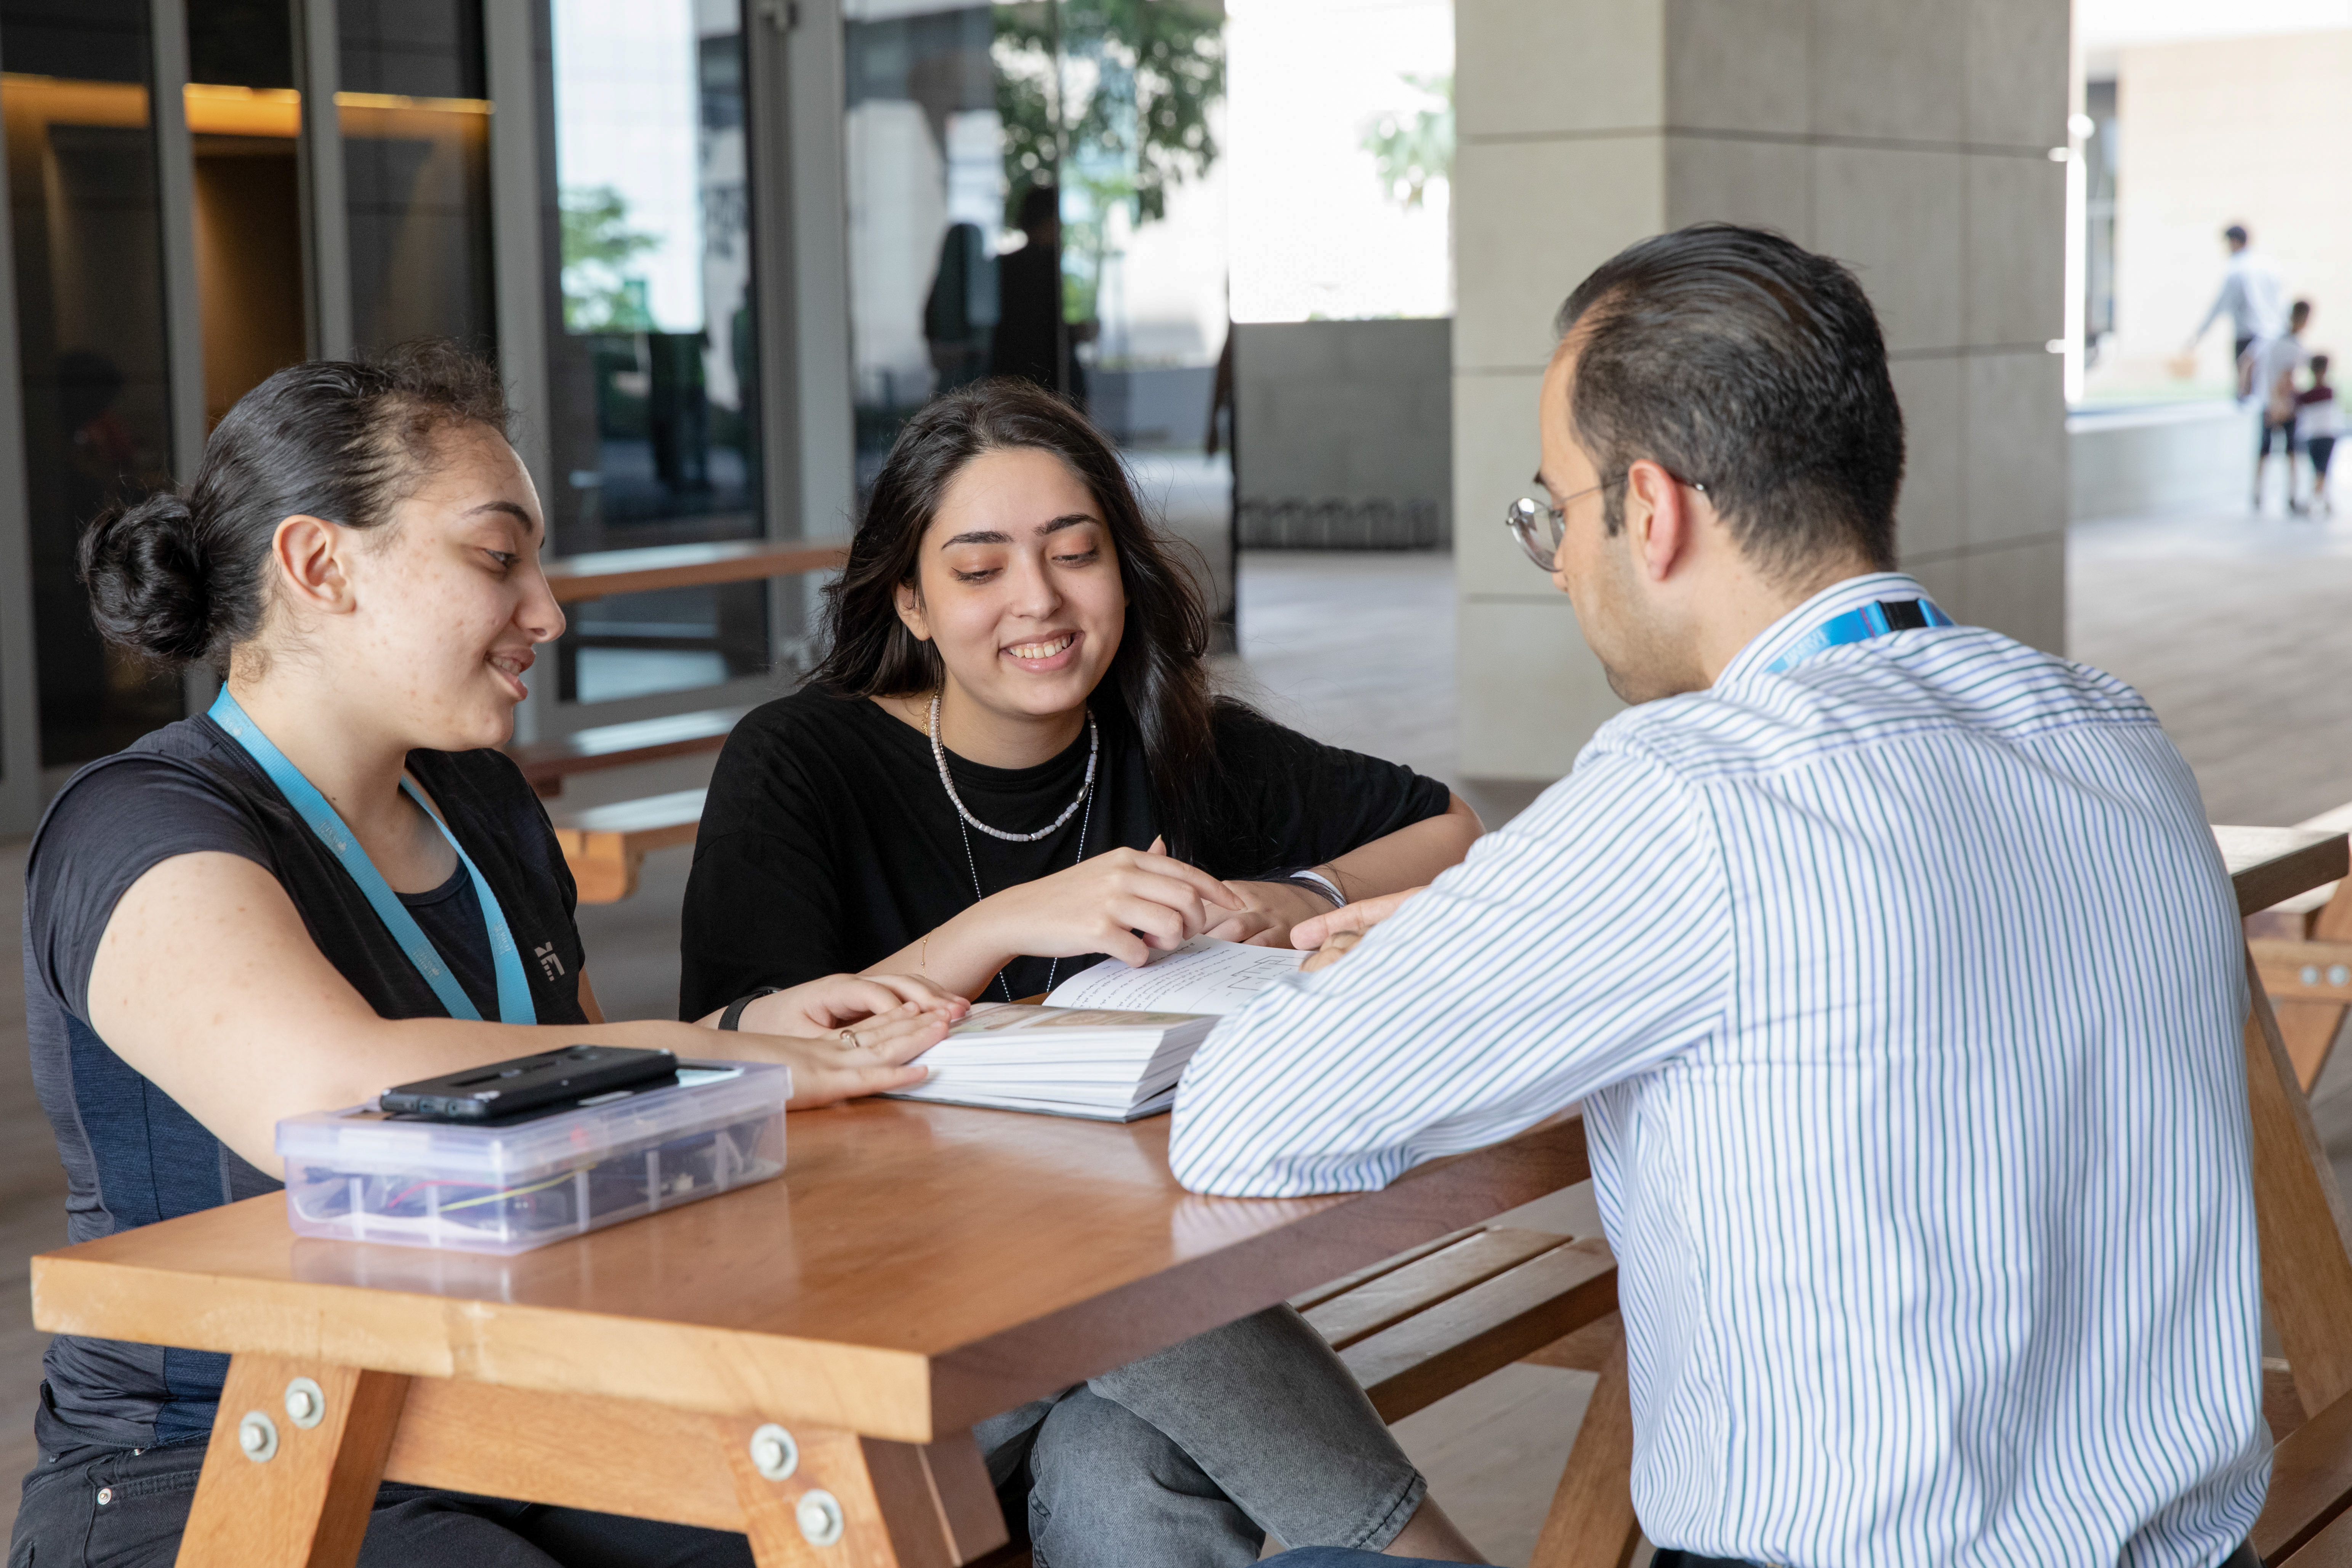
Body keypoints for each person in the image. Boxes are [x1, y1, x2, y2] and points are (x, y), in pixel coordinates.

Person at [1186, 225, 2269, 1568]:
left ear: (1652, 508)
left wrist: (1403, 954)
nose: (1565, 564)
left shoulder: (1696, 788)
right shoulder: (2108, 729)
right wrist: (1495, 924)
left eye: (1554, 517)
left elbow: (1244, 1119)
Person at [14, 344, 971, 1568]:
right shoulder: (137, 822)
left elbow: (578, 1089)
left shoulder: (483, 802)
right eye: (496, 557)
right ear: (318, 566)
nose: (548, 611)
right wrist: (720, 1056)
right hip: (213, 1462)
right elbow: (328, 1096)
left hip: (501, 1410)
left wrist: (750, 1039)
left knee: (882, 1520)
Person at [676, 376, 1487, 1566]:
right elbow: (734, 1038)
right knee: (1129, 1285)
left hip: (1095, 1335)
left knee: (1124, 1460)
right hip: (863, 1337)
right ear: (907, 596)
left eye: (1074, 553)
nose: (1038, 602)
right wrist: (1011, 918)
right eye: (979, 568)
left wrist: (1294, 895)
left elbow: (1446, 821)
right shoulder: (800, 758)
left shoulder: (1171, 740)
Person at [989, 185, 1090, 407]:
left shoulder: (1002, 268)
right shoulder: (1052, 268)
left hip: (1010, 387)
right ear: (1051, 222)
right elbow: (1059, 329)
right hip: (1050, 387)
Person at [2187, 222, 2288, 380]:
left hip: (2248, 338)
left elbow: (2219, 306)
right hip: (2273, 335)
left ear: (2234, 242)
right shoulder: (2269, 266)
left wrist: (2198, 335)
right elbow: (2281, 300)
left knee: (2246, 390)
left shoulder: (2236, 270)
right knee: (2268, 387)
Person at [2248, 298, 2313, 514]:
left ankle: (2258, 495)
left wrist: (2246, 391)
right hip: (2281, 407)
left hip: (2267, 403)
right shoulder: (2291, 346)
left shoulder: (2270, 341)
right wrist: (2280, 406)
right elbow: (2285, 380)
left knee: (2266, 452)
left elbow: (2247, 363)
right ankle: (2292, 497)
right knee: (2291, 452)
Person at [2298, 352, 2338, 517]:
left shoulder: (2313, 394)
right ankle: (2323, 501)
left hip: (2322, 435)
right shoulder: (2326, 392)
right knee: (2320, 469)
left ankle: (2315, 501)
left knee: (2321, 469)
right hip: (2319, 435)